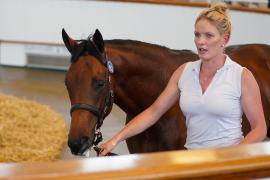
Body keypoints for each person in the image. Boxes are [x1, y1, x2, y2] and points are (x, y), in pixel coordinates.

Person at [98, 3, 267, 155]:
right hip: (192, 159)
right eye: (197, 34)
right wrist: (115, 139)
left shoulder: (241, 76)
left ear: (225, 39)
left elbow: (259, 128)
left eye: (208, 35)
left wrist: (233, 155)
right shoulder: (184, 71)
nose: (200, 42)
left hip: (228, 162)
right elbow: (153, 112)